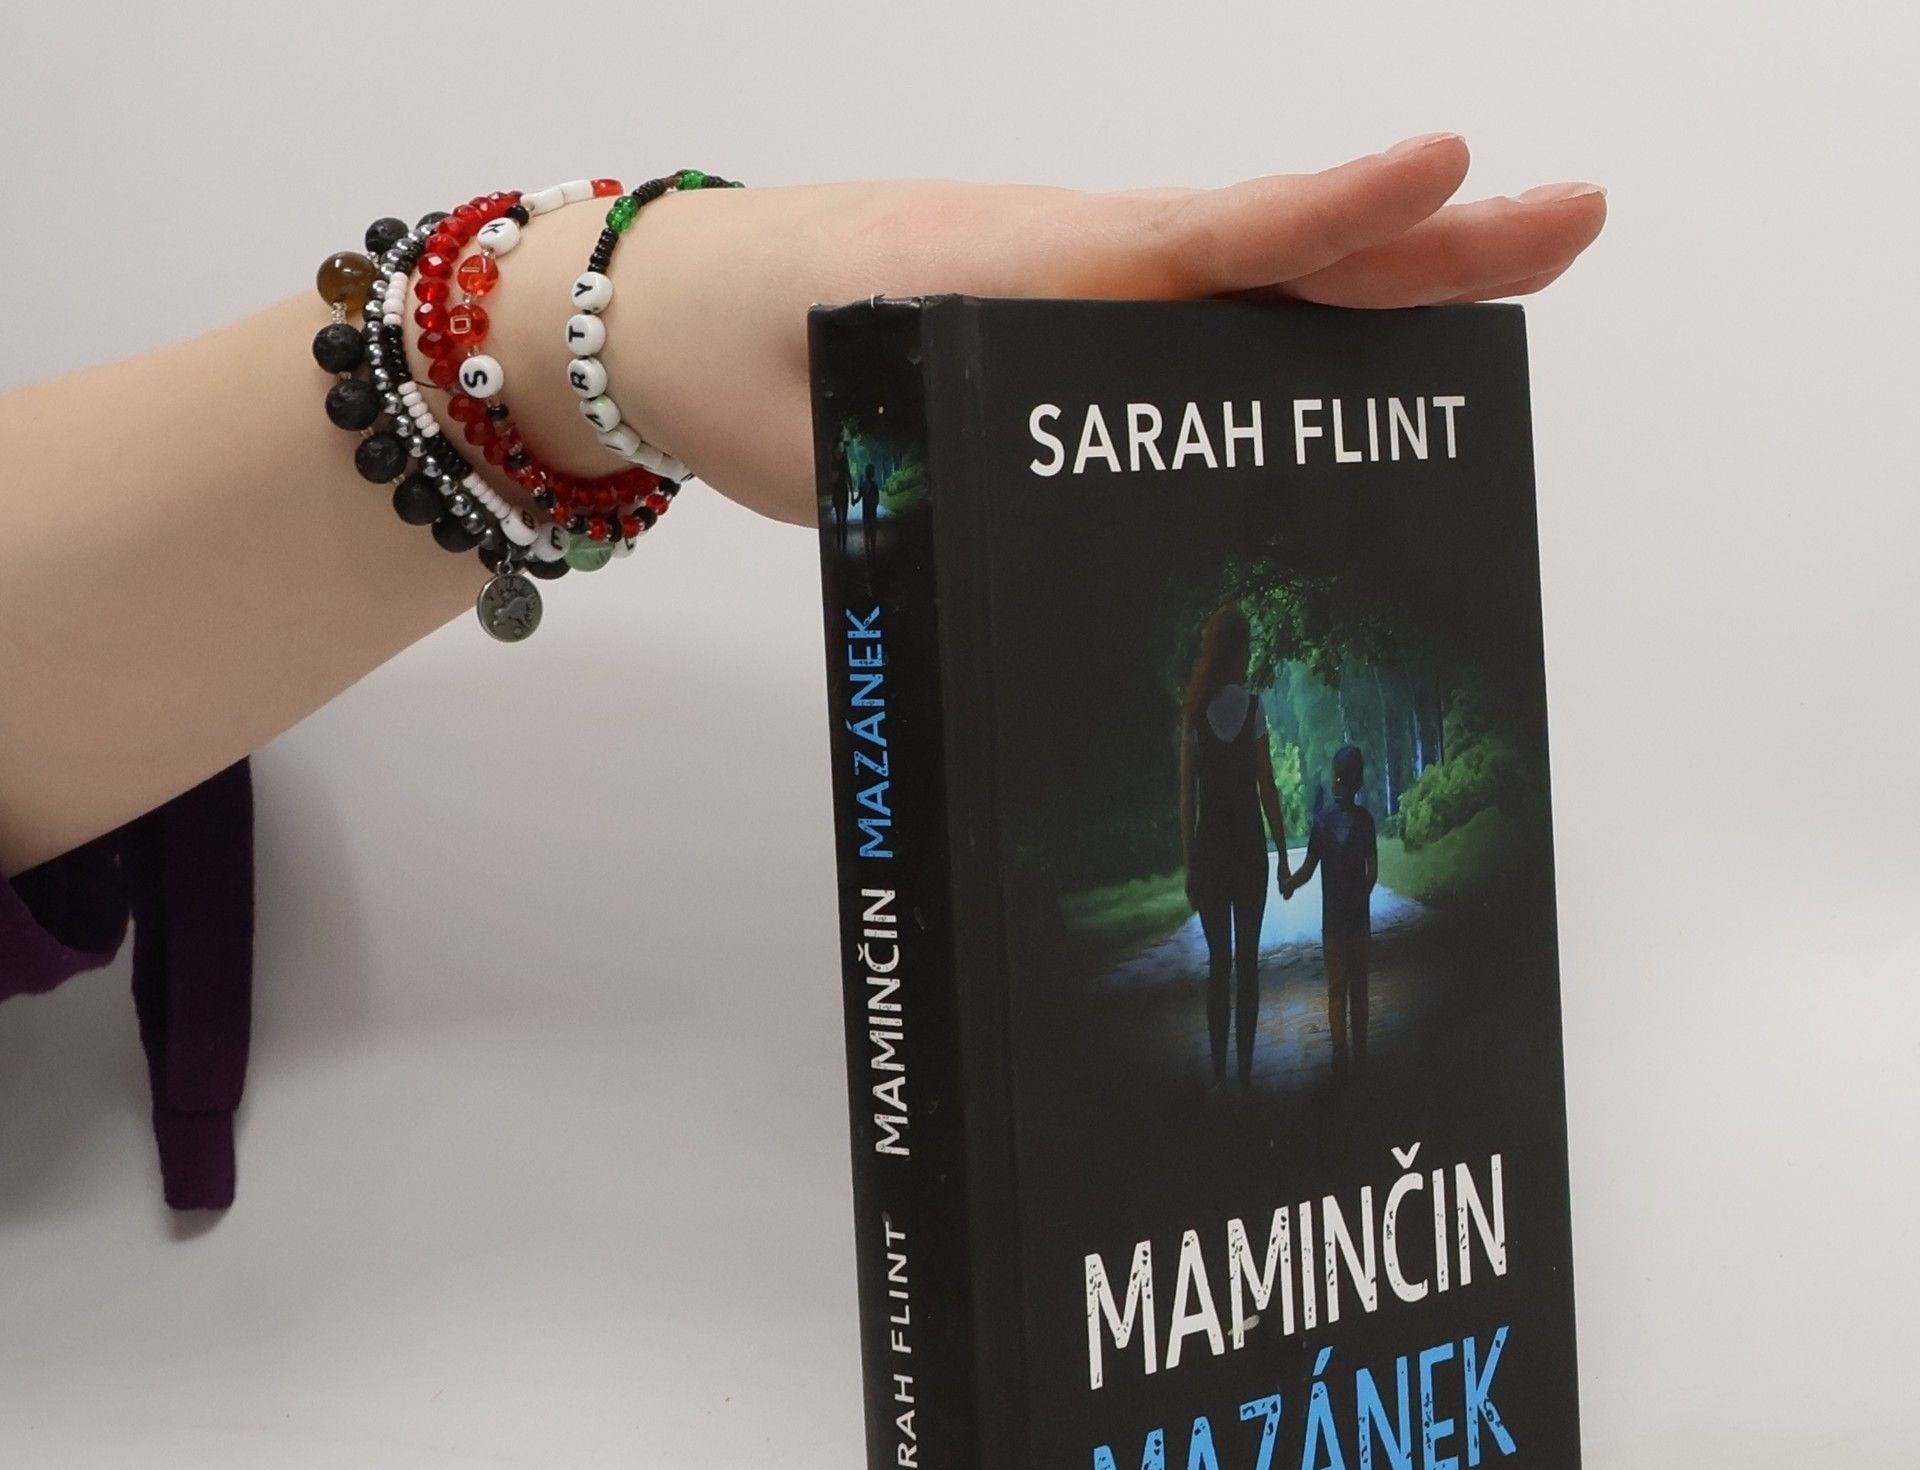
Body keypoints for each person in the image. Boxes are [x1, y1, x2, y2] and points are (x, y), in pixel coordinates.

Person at [0, 141, 1605, 1205]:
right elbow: (1216, 777)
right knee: (1272, 971)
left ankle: (1245, 1060)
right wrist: (588, 332)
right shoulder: (1221, 721)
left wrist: (606, 329)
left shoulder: (1210, 712)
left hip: (1226, 855)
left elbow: (1209, 773)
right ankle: (1263, 1061)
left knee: (1250, 973)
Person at [1180, 606, 1291, 1092]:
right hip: (1247, 846)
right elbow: (1267, 785)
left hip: (1210, 847)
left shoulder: (1194, 714)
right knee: (1247, 963)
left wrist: (1189, 862)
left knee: (1218, 964)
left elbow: (1187, 796)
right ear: (1238, 650)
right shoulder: (1254, 708)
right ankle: (1245, 1074)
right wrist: (1282, 852)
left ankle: (1219, 1073)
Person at [1282, 742, 1378, 1077]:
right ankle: (1361, 1050)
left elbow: (1309, 869)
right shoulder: (1366, 822)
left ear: (1337, 779)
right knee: (1359, 987)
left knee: (1336, 988)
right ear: (1359, 782)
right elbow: (1372, 873)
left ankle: (1340, 1052)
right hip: (1359, 921)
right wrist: (1360, 896)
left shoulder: (1322, 822)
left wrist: (1290, 884)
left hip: (1333, 922)